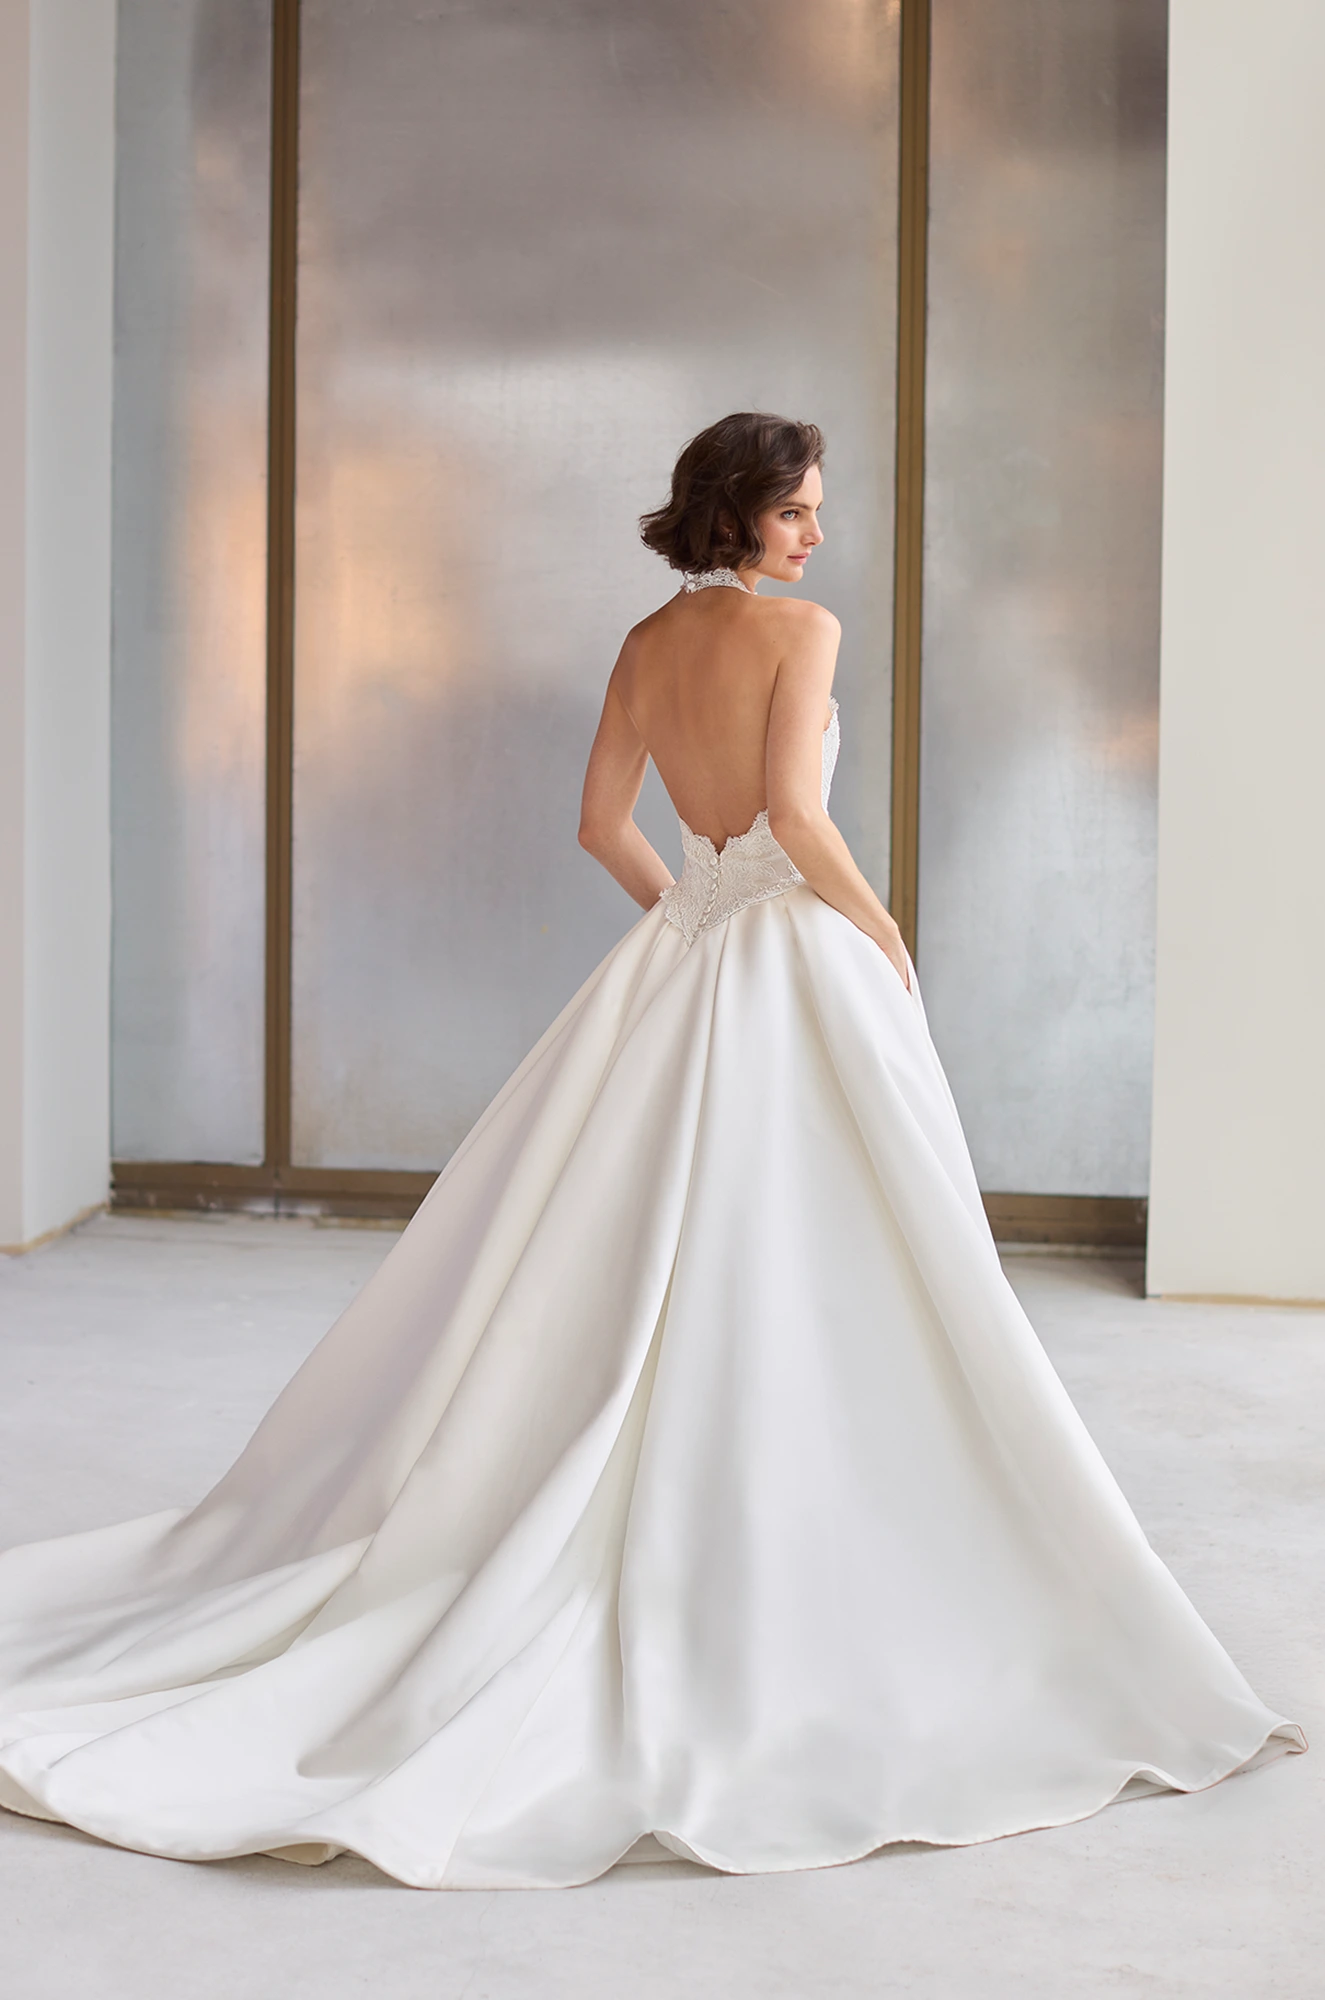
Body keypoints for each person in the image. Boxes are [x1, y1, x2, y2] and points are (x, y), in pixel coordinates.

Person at [0, 413, 1302, 1890]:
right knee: (842, 1252)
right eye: (799, 510)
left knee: (635, 1252)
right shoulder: (801, 634)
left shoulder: (637, 643)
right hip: (789, 955)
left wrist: (688, 916)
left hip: (689, 956)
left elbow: (598, 824)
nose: (816, 534)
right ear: (742, 514)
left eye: (816, 512)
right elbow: (799, 817)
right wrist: (877, 939)